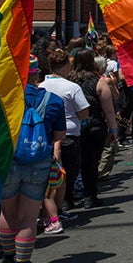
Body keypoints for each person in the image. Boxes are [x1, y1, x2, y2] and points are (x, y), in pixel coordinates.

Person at [0, 56, 65, 263]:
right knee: (28, 216)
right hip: (38, 161)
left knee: (7, 213)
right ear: (36, 74)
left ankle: (8, 258)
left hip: (8, 160)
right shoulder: (53, 100)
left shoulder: (3, 99)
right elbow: (58, 135)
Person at [39, 49, 89, 232]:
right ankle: (59, 209)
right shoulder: (72, 87)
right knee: (65, 175)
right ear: (66, 66)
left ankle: (53, 211)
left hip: (45, 135)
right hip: (68, 134)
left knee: (52, 175)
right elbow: (84, 112)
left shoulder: (40, 86)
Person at [68, 50, 118, 209]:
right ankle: (90, 196)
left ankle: (67, 198)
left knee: (71, 164)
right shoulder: (99, 81)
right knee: (91, 162)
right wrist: (113, 130)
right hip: (94, 125)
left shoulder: (69, 80)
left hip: (73, 125)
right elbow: (108, 110)